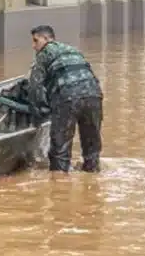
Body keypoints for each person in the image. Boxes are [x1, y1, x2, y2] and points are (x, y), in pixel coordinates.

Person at [27, 25, 103, 173]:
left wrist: (39, 115)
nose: (33, 46)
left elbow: (34, 88)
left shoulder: (45, 53)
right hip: (94, 96)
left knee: (59, 154)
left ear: (47, 39)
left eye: (36, 41)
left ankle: (59, 190)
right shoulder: (73, 50)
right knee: (92, 149)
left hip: (67, 98)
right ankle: (92, 178)